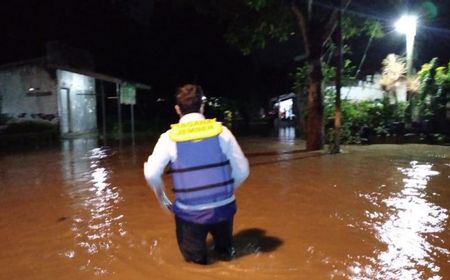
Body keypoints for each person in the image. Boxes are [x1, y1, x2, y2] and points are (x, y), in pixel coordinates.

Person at [143, 84, 249, 265]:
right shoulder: (222, 132)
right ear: (202, 106)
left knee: (195, 266)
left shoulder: (169, 138)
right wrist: (226, 192)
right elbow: (243, 171)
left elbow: (151, 174)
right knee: (226, 257)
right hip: (224, 210)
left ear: (177, 109)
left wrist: (163, 200)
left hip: (189, 214)